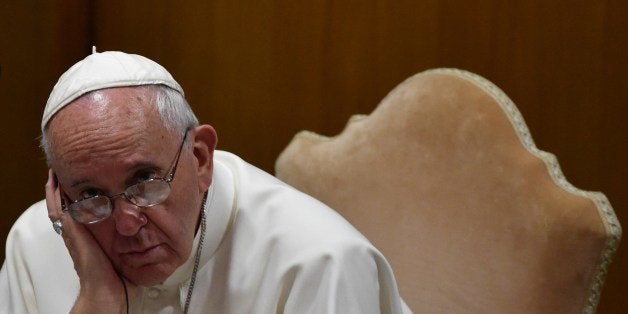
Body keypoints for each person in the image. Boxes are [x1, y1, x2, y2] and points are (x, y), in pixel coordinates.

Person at [0, 51, 410, 313]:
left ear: (200, 158)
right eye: (90, 194)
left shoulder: (320, 262)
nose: (126, 224)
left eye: (144, 180)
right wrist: (96, 302)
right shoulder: (34, 242)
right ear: (60, 193)